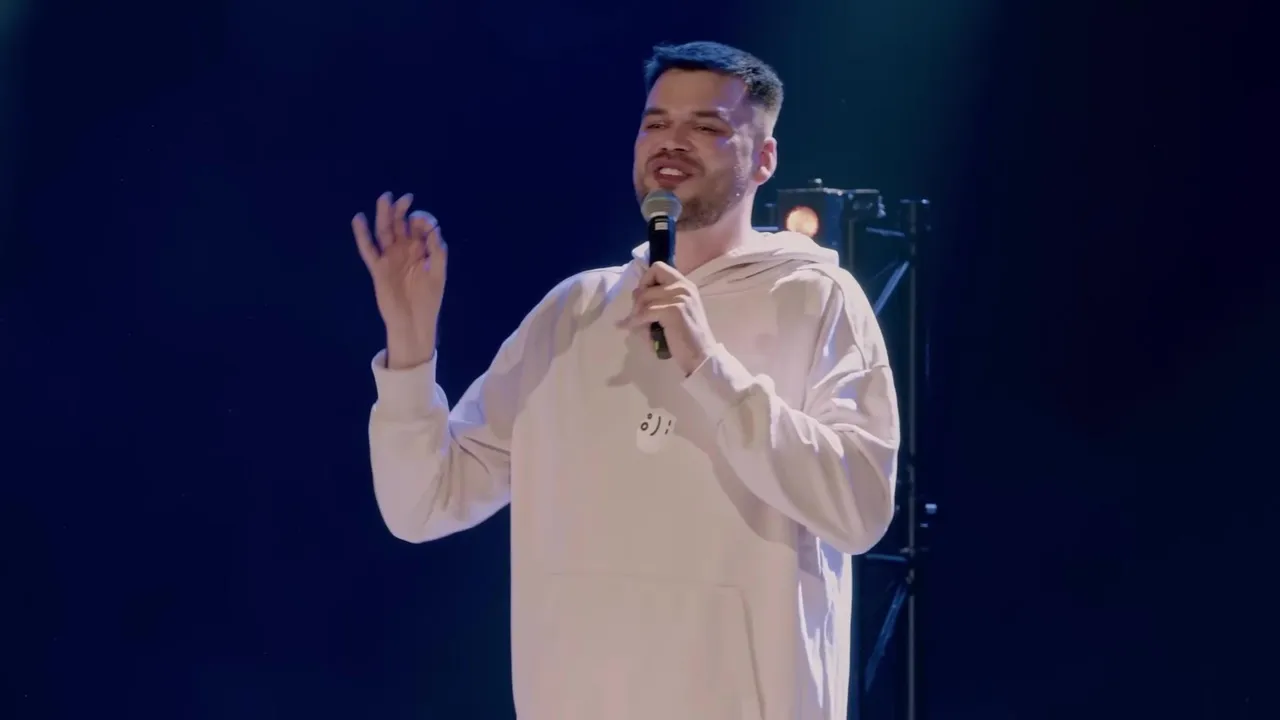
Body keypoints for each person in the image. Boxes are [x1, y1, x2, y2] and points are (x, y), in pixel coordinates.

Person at [352, 40, 900, 720]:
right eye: (655, 123)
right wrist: (410, 350)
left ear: (764, 159)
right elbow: (422, 505)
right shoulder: (574, 312)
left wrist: (709, 367)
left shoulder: (818, 299)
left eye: (706, 126)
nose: (672, 141)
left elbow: (860, 508)